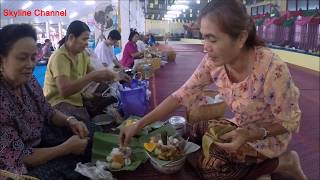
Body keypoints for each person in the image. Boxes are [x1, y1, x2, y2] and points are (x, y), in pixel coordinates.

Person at [120, 1, 307, 180]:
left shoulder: (272, 70)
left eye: (212, 39)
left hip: (266, 138)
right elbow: (181, 95)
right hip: (240, 125)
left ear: (241, 38)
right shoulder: (213, 63)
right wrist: (139, 124)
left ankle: (284, 162)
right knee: (193, 130)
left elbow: (290, 122)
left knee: (213, 172)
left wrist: (250, 134)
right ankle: (252, 168)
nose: (205, 47)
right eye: (203, 37)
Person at [0, 24, 93, 180]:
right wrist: (66, 148)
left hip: (40, 138)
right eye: (22, 58)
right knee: (74, 168)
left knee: (88, 134)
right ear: (1, 60)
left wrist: (70, 120)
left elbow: (47, 111)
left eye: (33, 57)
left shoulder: (28, 81)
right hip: (17, 166)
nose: (30, 65)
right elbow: (22, 156)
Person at [43, 20, 129, 121]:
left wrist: (116, 76)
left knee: (107, 100)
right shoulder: (60, 57)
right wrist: (93, 76)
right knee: (85, 126)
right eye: (84, 39)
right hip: (58, 103)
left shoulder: (82, 54)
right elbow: (65, 91)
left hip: (76, 99)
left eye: (87, 40)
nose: (86, 43)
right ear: (71, 38)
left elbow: (96, 75)